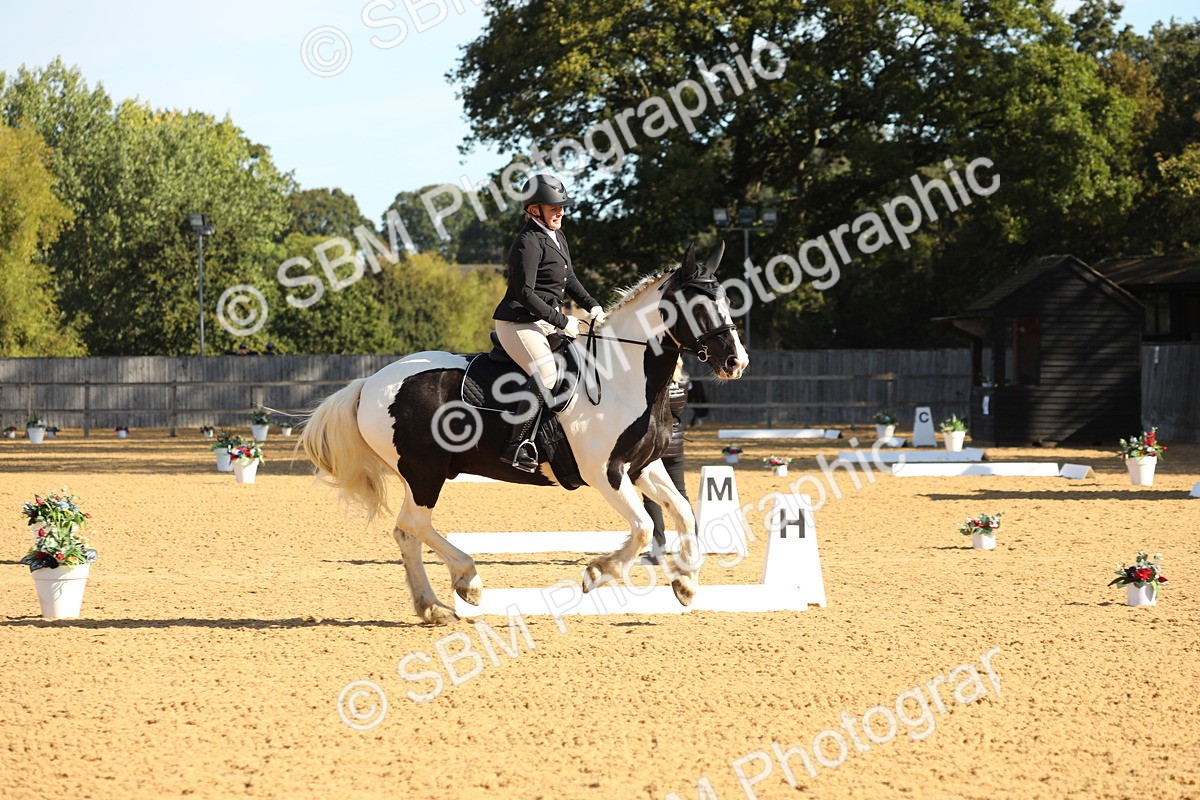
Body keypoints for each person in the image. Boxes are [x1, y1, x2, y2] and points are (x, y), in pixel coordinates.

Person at [493, 174, 604, 472]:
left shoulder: (557, 236)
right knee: (547, 372)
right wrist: (562, 320)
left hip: (545, 321)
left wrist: (592, 305)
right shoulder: (527, 242)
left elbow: (569, 278)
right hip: (519, 322)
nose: (560, 212)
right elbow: (525, 293)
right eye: (554, 207)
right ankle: (517, 445)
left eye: (562, 207)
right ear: (534, 210)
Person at [643, 357, 691, 563]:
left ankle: (657, 549)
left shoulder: (654, 380)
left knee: (651, 497)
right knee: (681, 493)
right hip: (676, 442)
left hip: (655, 444)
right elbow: (677, 410)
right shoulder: (684, 380)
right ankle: (692, 545)